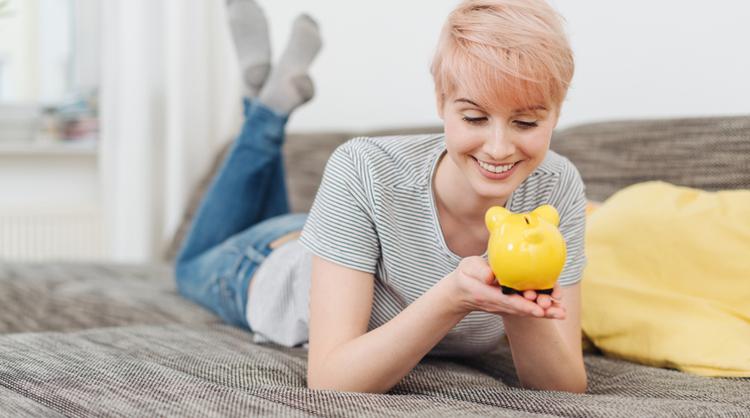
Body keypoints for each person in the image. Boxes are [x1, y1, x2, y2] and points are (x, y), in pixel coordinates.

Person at [175, 0, 588, 395]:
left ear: (556, 112)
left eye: (527, 122)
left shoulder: (555, 187)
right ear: (441, 102)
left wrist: (521, 297)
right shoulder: (364, 168)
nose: (499, 148)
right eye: (475, 118)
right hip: (266, 259)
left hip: (345, 239)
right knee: (188, 265)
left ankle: (263, 93)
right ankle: (265, 114)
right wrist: (453, 297)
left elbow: (564, 386)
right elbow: (331, 380)